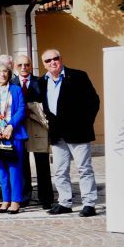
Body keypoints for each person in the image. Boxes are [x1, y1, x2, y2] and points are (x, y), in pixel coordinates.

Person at [40, 49, 100, 217]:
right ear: (44, 64)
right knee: (60, 170)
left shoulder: (78, 76)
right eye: (48, 60)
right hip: (57, 135)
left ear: (61, 59)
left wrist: (85, 123)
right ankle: (64, 203)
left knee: (84, 168)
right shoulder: (42, 82)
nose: (52, 62)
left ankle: (89, 204)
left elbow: (93, 101)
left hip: (79, 132)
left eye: (55, 58)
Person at [0, 61, 27, 214]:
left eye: (5, 71)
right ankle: (5, 200)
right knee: (1, 169)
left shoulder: (15, 89)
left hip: (13, 133)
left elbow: (21, 109)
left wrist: (10, 126)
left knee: (14, 168)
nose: (2, 74)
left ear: (9, 74)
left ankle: (16, 201)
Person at [16, 53, 52, 209]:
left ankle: (46, 198)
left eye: (27, 64)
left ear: (31, 66)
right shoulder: (11, 83)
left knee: (42, 161)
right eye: (20, 65)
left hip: (37, 125)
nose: (24, 67)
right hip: (19, 126)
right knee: (21, 162)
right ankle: (24, 197)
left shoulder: (40, 82)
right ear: (15, 67)